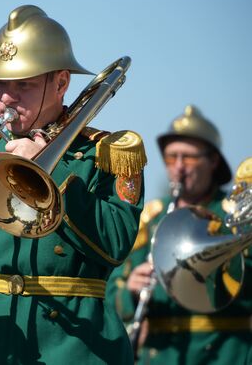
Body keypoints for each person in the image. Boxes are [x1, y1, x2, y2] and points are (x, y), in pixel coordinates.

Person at [0, 5, 147, 364]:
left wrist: (55, 171)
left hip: (73, 346)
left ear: (62, 83)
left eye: (24, 84)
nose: (6, 97)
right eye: (0, 84)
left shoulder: (108, 152)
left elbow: (116, 244)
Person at [107, 105, 252, 364]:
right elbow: (111, 286)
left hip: (226, 351)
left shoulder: (237, 214)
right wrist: (130, 289)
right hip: (162, 354)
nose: (179, 167)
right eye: (171, 158)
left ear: (213, 161)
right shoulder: (152, 218)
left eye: (189, 157)